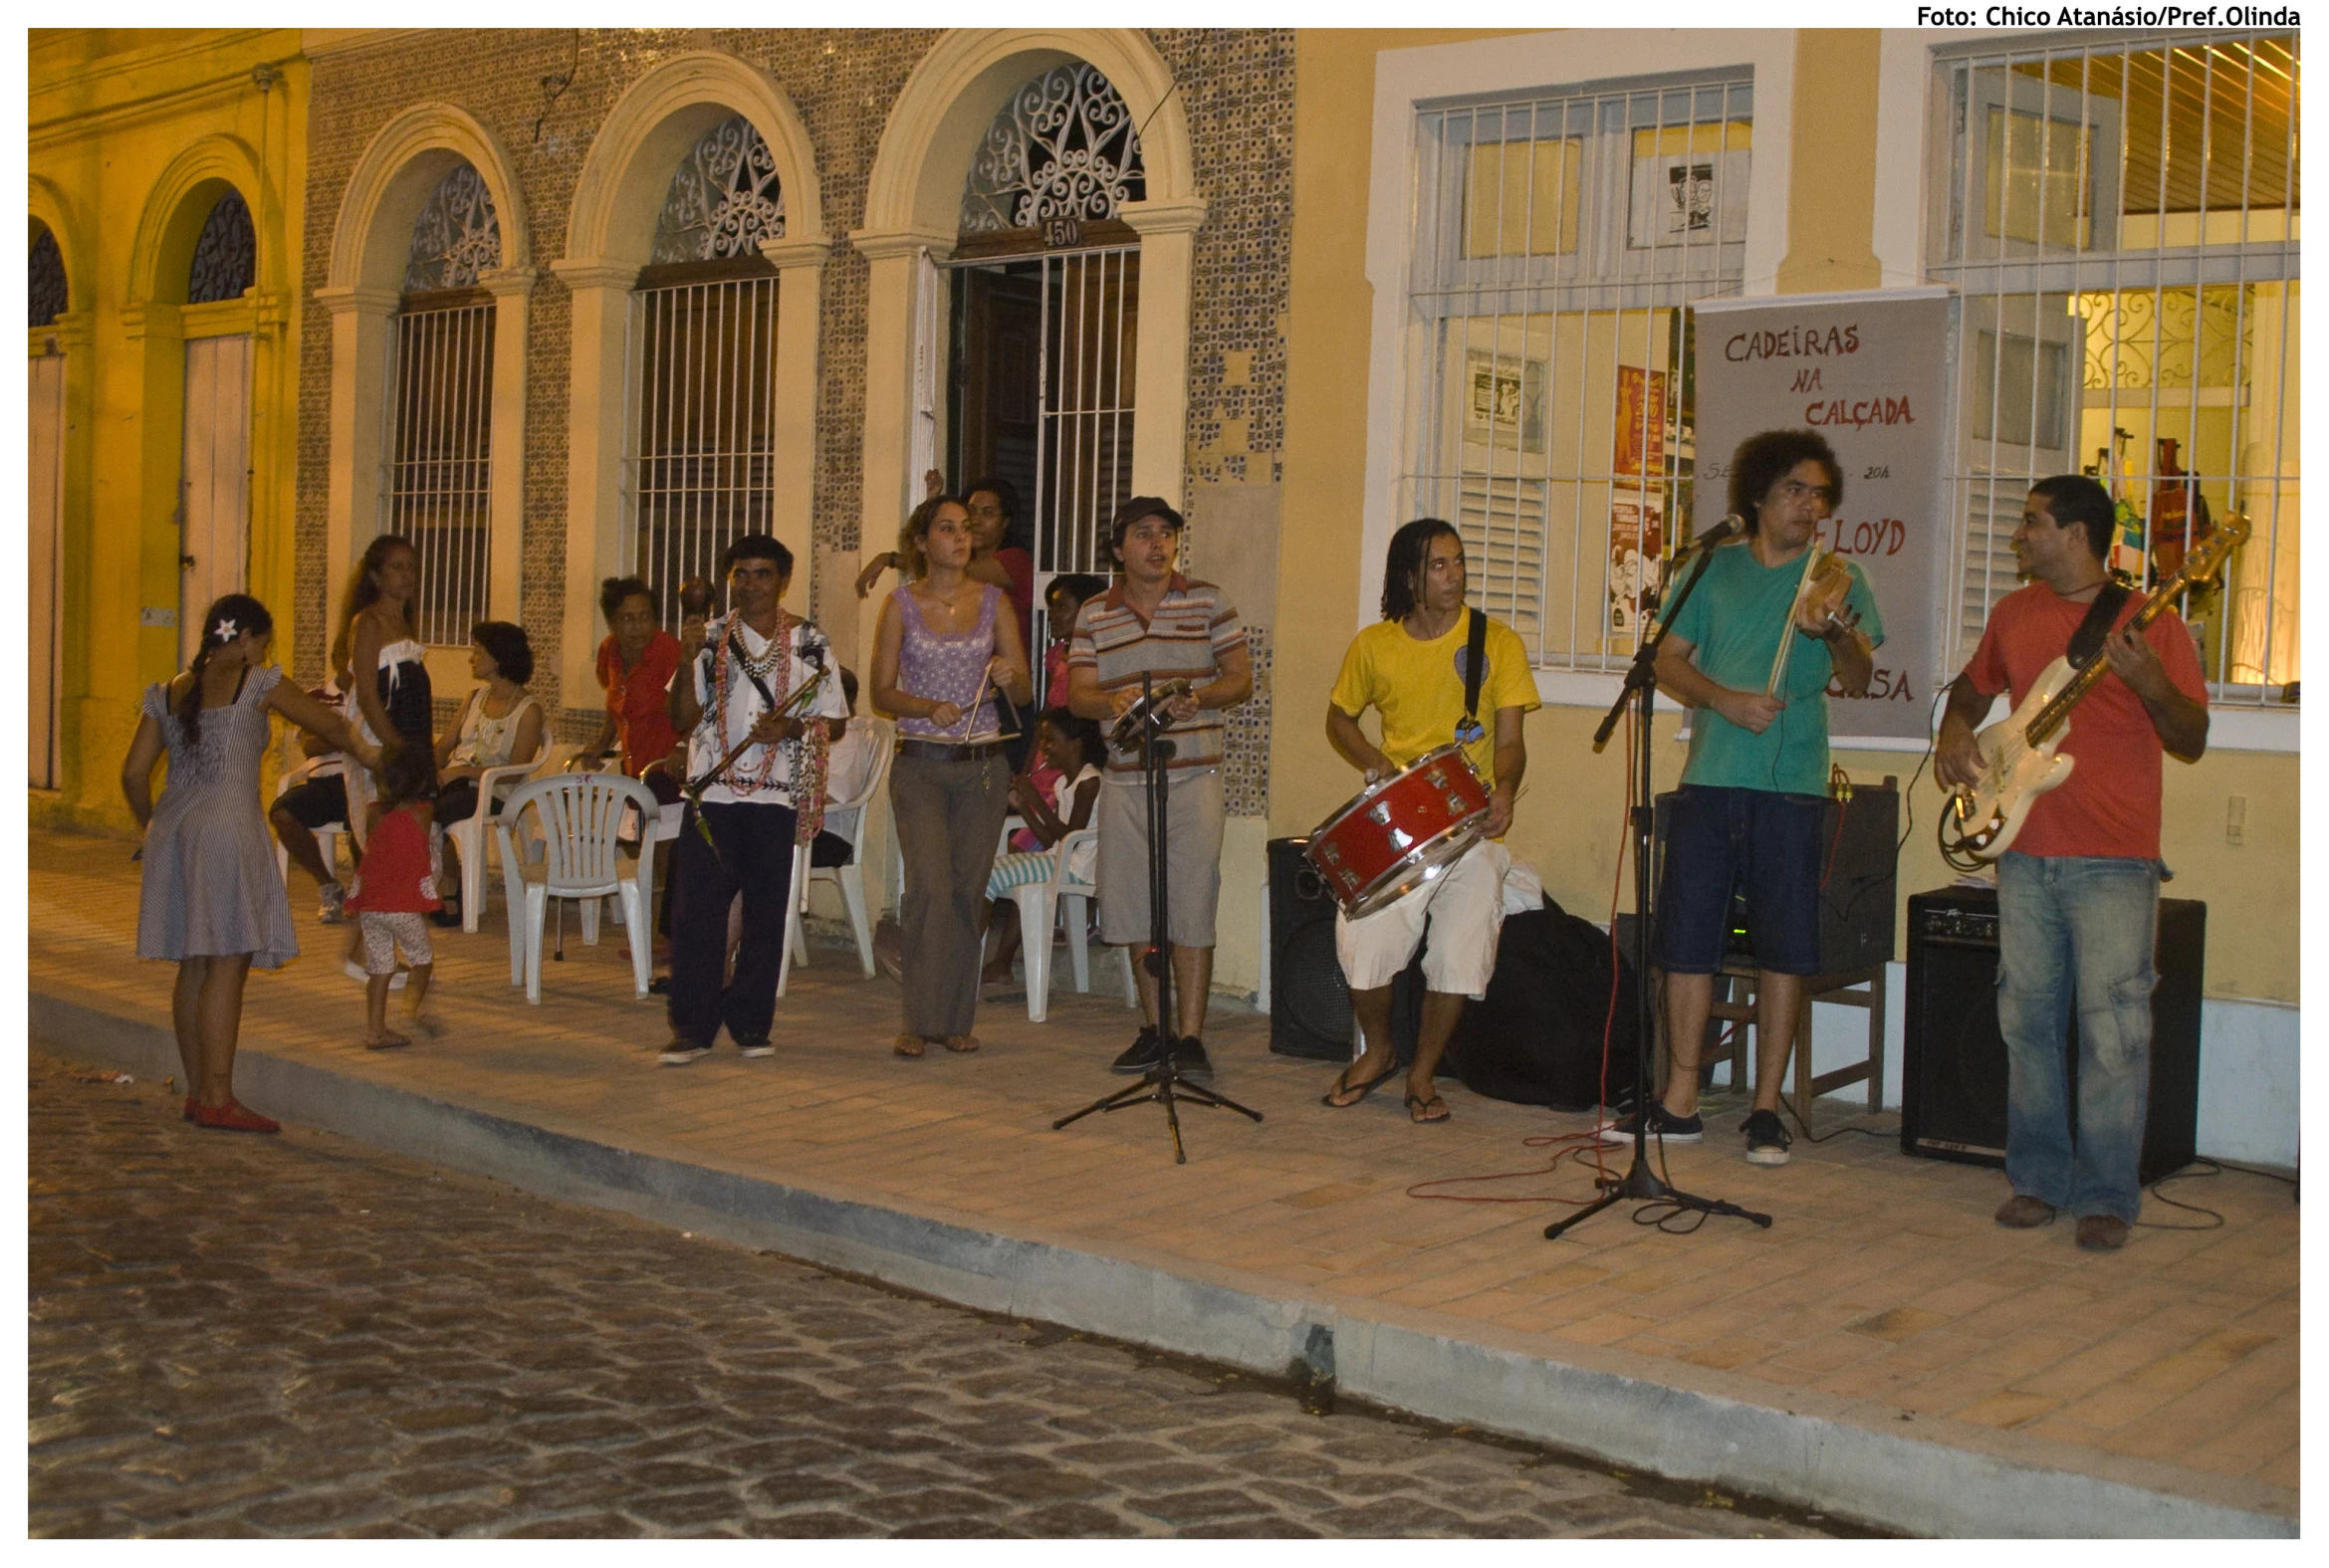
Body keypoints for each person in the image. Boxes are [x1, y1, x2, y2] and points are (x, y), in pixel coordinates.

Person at [1937, 475, 2208, 1251]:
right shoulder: (2014, 615)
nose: (2018, 535)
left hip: (2113, 859)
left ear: (2076, 535)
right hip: (2022, 851)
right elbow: (1970, 686)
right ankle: (2037, 1180)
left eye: (2031, 523)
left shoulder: (2146, 623)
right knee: (2024, 1019)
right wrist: (1954, 730)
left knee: (2114, 1031)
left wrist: (2149, 681)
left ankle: (2105, 1195)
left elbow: (2189, 737)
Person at [1601, 429, 1882, 1167]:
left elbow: (1856, 677)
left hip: (1789, 789)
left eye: (1820, 494)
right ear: (1756, 496)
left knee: (1783, 948)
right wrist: (1724, 701)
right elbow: (1664, 661)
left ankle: (1765, 1110)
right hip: (1710, 778)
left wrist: (1838, 631)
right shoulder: (1710, 568)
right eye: (1795, 490)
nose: (1809, 506)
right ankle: (1679, 1102)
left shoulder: (1835, 577)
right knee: (1687, 941)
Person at [121, 594, 379, 1132]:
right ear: (243, 640)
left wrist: (151, 826)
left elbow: (133, 773)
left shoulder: (168, 692)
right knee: (227, 961)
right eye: (262, 642)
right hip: (225, 829)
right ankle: (218, 1096)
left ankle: (198, 1093)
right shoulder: (257, 682)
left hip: (173, 827)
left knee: (194, 961)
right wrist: (373, 753)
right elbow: (327, 726)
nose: (263, 652)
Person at [1321, 520, 1541, 1124]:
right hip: (1401, 822)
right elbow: (1339, 719)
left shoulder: (1496, 642)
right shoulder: (1375, 645)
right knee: (1363, 935)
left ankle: (1422, 1073)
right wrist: (1376, 766)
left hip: (1468, 824)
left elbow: (1511, 740)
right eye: (1439, 566)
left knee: (1460, 946)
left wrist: (1505, 789)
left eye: (1459, 562)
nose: (1455, 576)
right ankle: (1381, 1049)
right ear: (1409, 577)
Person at [1066, 497, 1253, 1078]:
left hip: (1194, 775)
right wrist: (1110, 701)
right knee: (1135, 908)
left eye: (1167, 534)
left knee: (1193, 904)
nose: (1158, 544)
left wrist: (1198, 698)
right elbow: (1078, 697)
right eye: (1144, 534)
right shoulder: (1094, 614)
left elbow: (1241, 678)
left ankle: (1191, 1039)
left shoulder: (1208, 599)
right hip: (1124, 779)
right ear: (1119, 548)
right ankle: (1155, 1032)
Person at [660, 535, 848, 1066]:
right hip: (711, 793)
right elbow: (679, 719)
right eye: (741, 574)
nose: (751, 585)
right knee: (698, 913)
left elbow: (834, 722)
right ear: (728, 580)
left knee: (766, 915)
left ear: (781, 581)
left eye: (762, 574)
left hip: (776, 796)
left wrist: (789, 727)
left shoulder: (810, 641)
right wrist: (684, 650)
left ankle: (750, 1024)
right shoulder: (710, 636)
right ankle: (692, 1028)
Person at [871, 494, 1035, 1057]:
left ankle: (956, 1020)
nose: (961, 537)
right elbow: (880, 692)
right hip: (921, 765)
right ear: (922, 542)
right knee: (931, 890)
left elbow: (1025, 691)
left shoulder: (994, 603)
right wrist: (922, 706)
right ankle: (917, 1019)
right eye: (947, 528)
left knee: (967, 893)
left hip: (983, 768)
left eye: (966, 528)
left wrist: (1010, 675)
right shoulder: (900, 605)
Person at [429, 620, 545, 927]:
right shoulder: (473, 699)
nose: (472, 658)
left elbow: (512, 773)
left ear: (499, 657)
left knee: (436, 811)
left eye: (478, 651)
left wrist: (462, 771)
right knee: (413, 804)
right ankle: (429, 884)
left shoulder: (528, 710)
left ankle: (450, 887)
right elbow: (445, 746)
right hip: (456, 783)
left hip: (495, 793)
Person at [982, 708, 1106, 989]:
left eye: (1050, 740)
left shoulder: (1090, 782)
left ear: (1075, 745)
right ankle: (1000, 964)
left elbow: (1069, 838)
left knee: (988, 874)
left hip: (1081, 868)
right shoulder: (1065, 783)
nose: (1044, 748)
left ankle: (961, 957)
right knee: (1002, 875)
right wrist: (1023, 806)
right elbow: (1053, 842)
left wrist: (1036, 799)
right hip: (1062, 860)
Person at [345, 740, 442, 1049]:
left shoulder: (373, 813)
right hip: (400, 905)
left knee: (380, 967)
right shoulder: (422, 813)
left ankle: (375, 1030)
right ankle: (410, 1012)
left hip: (372, 905)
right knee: (423, 959)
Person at [269, 662, 363, 924]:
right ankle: (329, 885)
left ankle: (361, 892)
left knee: (362, 815)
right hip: (322, 783)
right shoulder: (314, 698)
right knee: (282, 813)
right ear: (340, 660)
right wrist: (353, 738)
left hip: (358, 780)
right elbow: (310, 745)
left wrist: (330, 733)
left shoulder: (371, 697)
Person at [583, 575, 684, 803]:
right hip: (632, 768)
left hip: (668, 769)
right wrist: (602, 743)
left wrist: (683, 747)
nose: (638, 627)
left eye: (644, 617)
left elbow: (697, 710)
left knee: (660, 838)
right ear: (612, 623)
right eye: (628, 618)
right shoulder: (609, 651)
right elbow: (619, 705)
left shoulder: (670, 652)